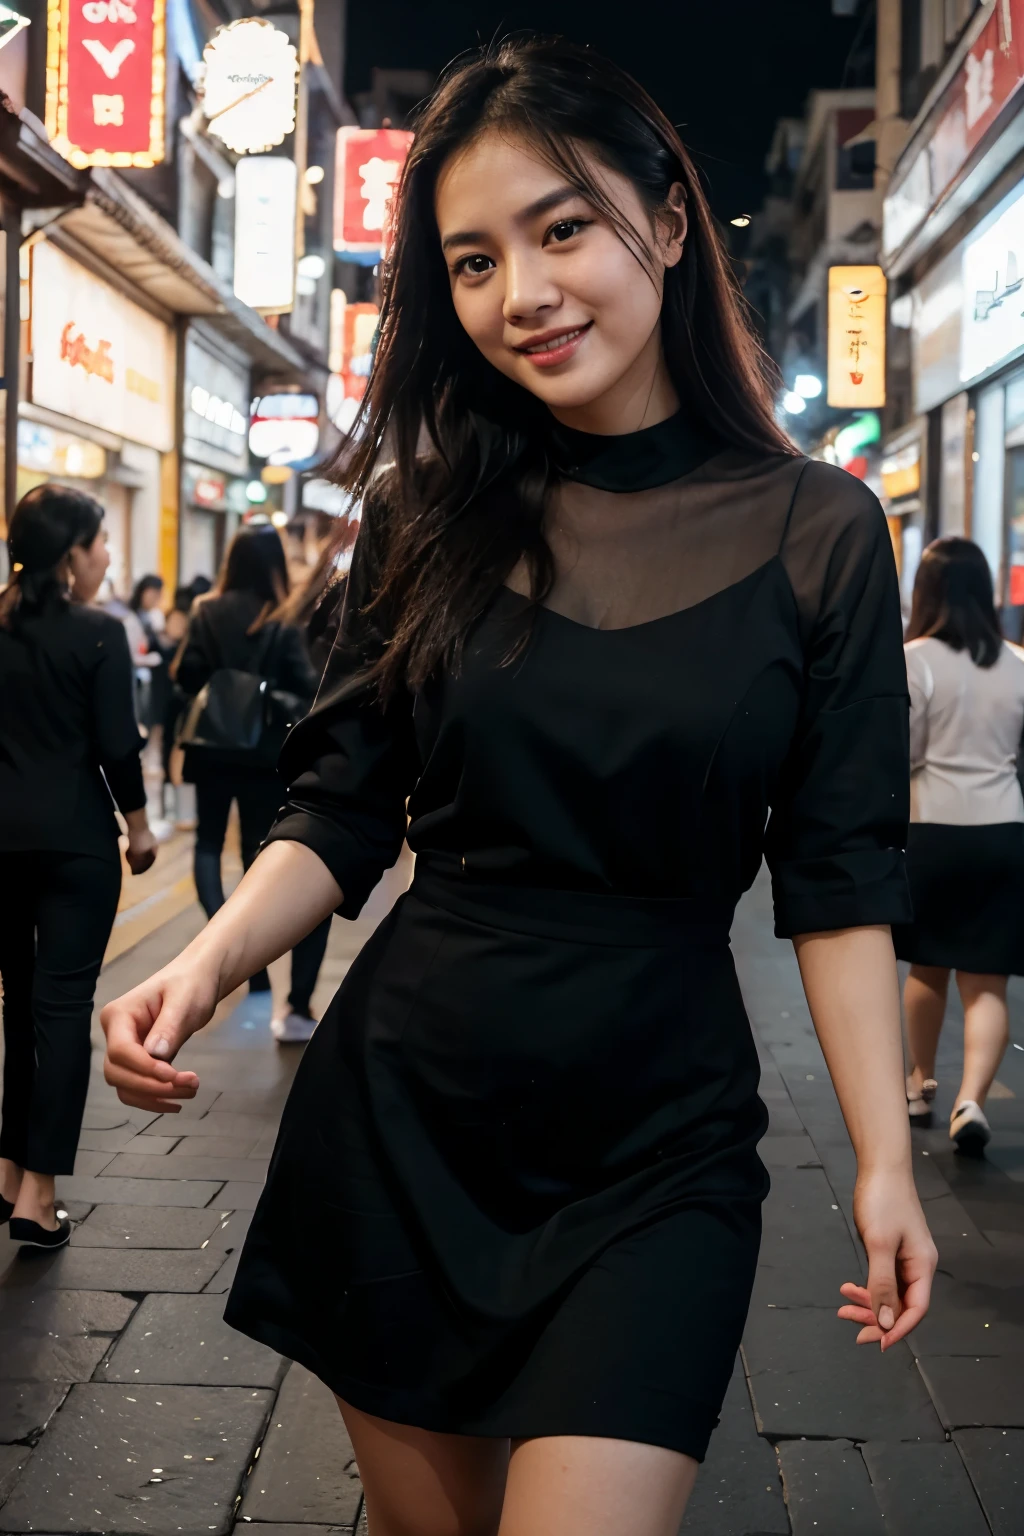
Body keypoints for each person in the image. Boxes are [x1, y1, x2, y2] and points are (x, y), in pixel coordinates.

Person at [101, 38, 936, 1536]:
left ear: (669, 224)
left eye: (563, 229)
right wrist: (207, 959)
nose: (522, 295)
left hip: (662, 1145)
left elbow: (841, 877)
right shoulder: (429, 516)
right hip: (408, 1121)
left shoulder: (822, 532)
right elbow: (345, 808)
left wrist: (885, 1157)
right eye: (473, 262)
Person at [0, 485, 157, 1250]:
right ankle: (39, 1197)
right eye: (100, 544)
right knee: (61, 1013)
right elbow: (116, 746)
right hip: (75, 847)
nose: (107, 556)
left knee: (15, 1009)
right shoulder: (99, 633)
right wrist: (139, 829)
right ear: (70, 555)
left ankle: (6, 1173)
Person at [172, 524, 328, 1042]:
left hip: (213, 750)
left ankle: (241, 959)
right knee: (264, 856)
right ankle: (282, 988)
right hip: (264, 755)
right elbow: (305, 688)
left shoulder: (206, 611)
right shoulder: (283, 617)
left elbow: (187, 675)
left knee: (209, 844)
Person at [895, 537, 1024, 1153]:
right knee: (988, 981)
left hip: (932, 829)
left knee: (927, 967)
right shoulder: (1019, 663)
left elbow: (907, 750)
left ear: (927, 592)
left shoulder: (914, 660)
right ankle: (971, 1098)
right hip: (1003, 830)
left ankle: (921, 1087)